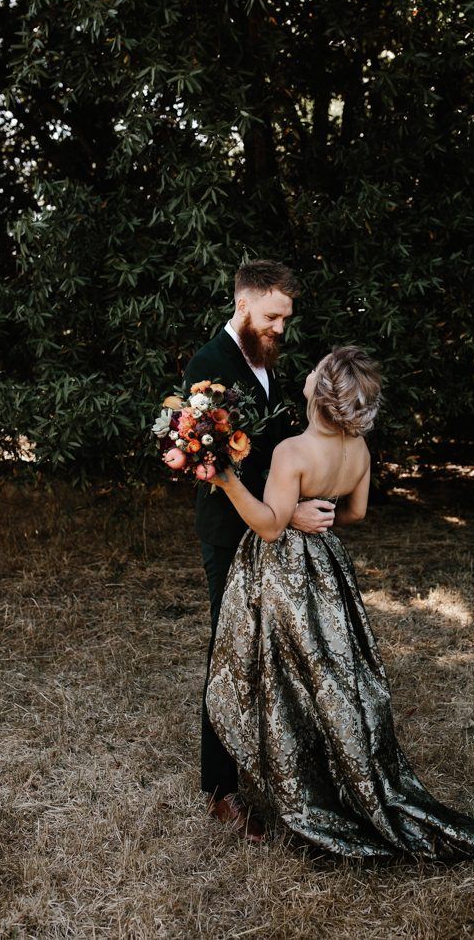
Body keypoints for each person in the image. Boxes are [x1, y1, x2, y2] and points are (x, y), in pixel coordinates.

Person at [206, 346, 474, 862]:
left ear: (319, 393)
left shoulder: (292, 451)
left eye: (316, 370)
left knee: (281, 671)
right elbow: (355, 512)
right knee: (327, 667)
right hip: (329, 567)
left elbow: (270, 526)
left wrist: (227, 481)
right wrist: (321, 514)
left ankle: (298, 777)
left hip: (284, 572)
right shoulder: (359, 450)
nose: (309, 371)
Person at [182, 260, 336, 843]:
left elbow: (273, 452)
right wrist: (285, 510)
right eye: (271, 316)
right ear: (242, 304)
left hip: (275, 525)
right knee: (229, 654)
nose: (280, 329)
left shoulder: (266, 358)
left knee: (275, 653)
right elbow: (217, 469)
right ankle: (221, 790)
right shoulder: (208, 367)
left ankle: (277, 766)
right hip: (230, 533)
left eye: (286, 319)